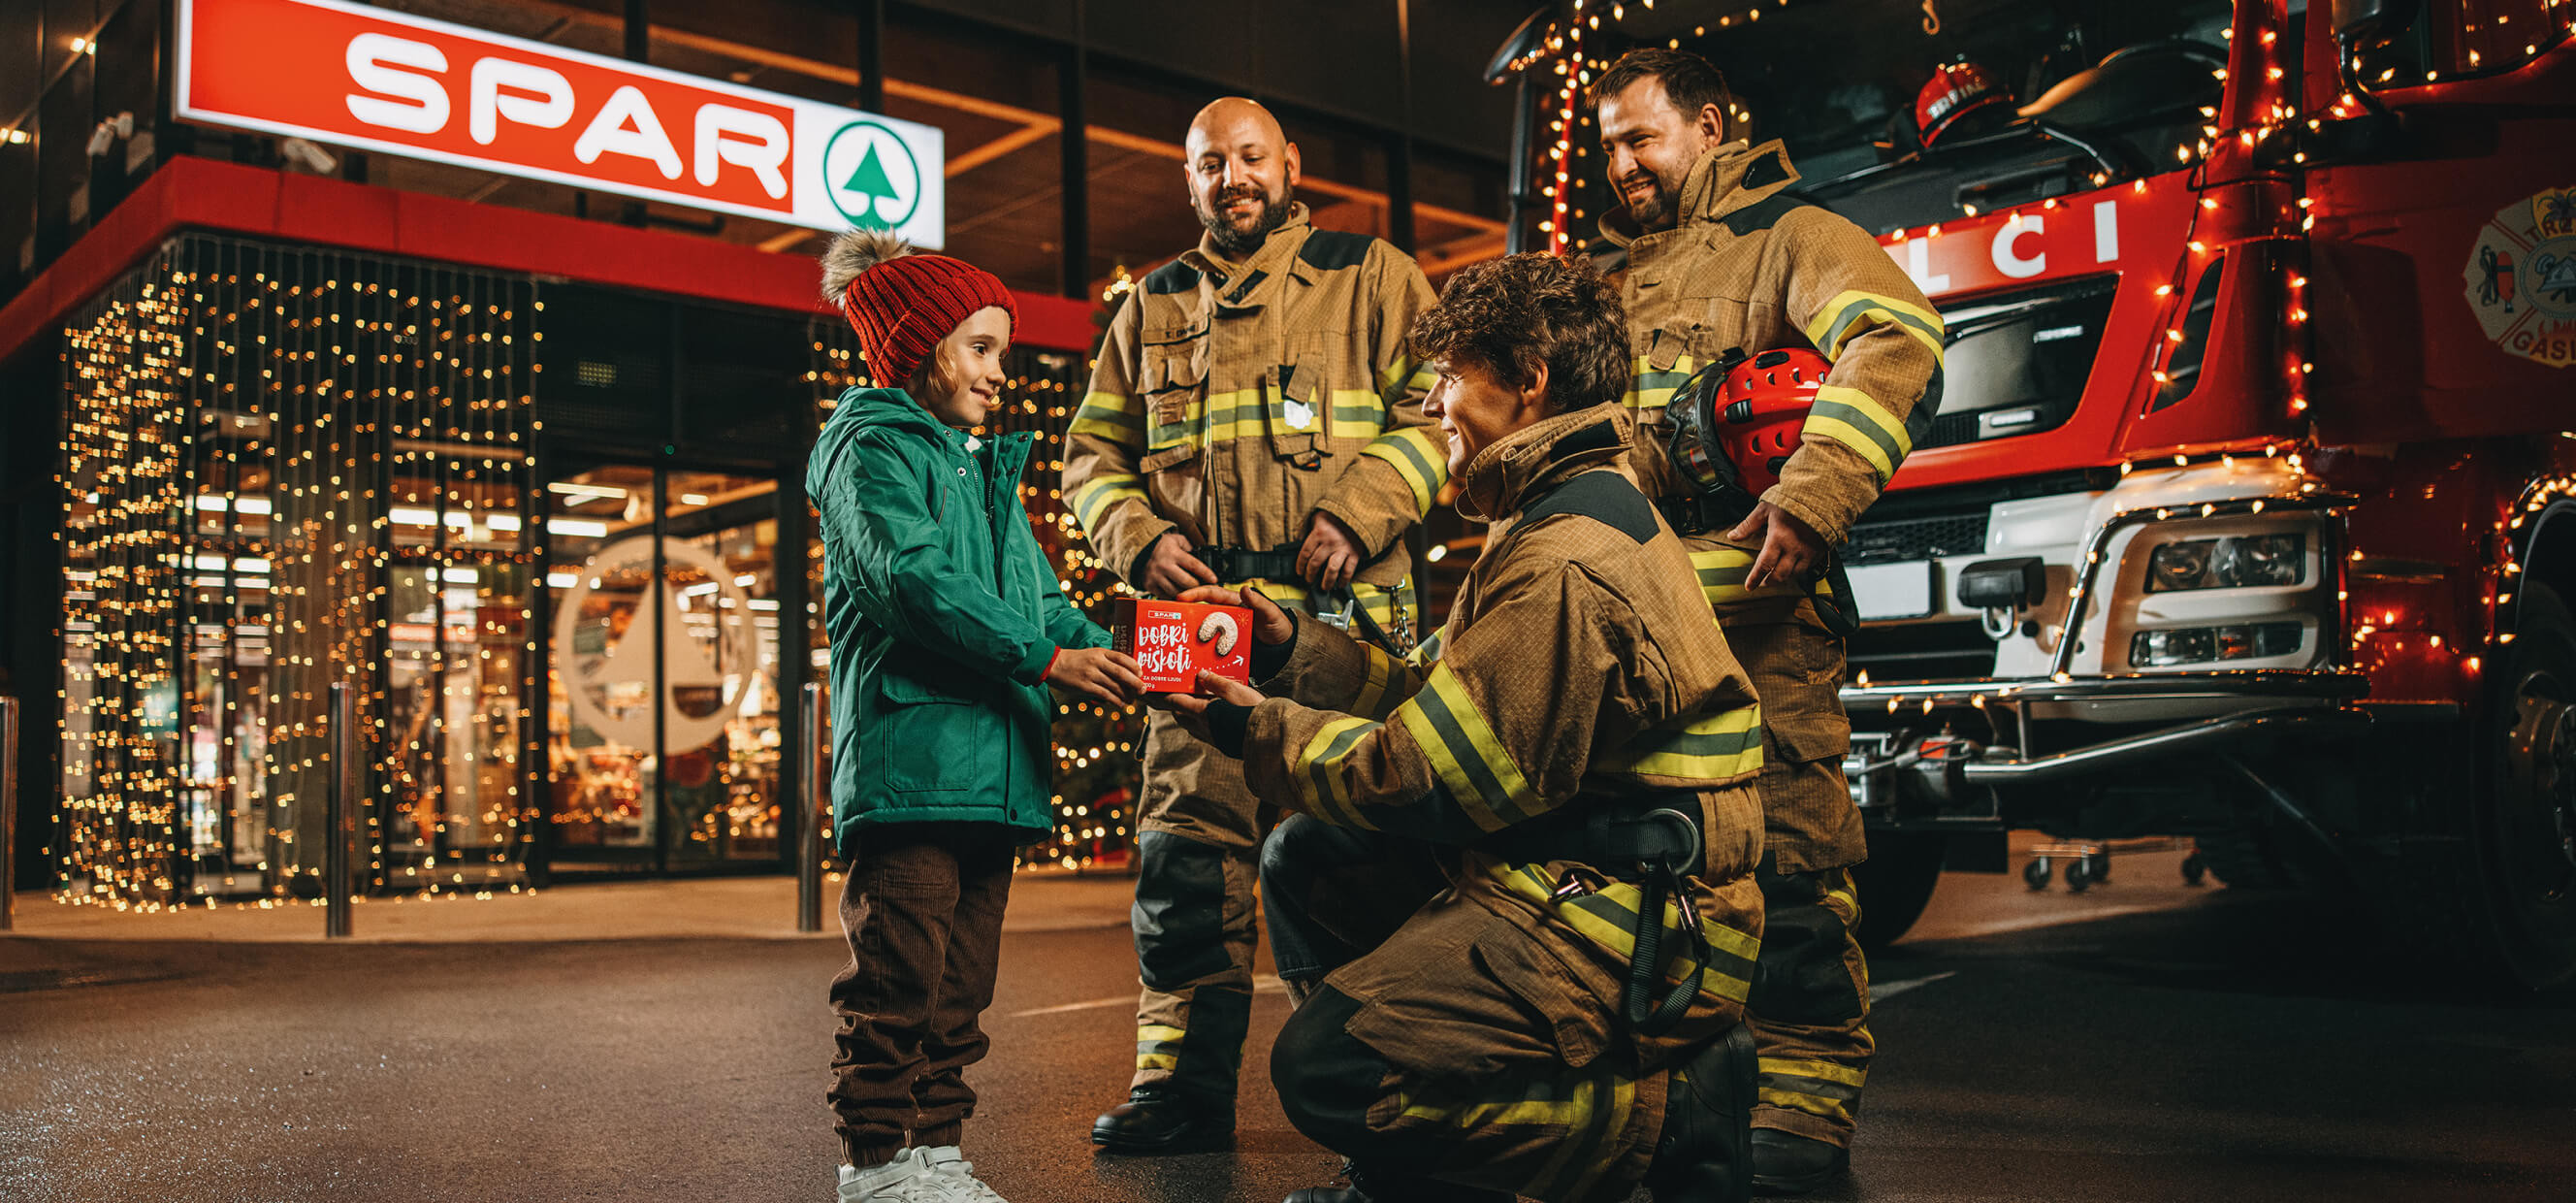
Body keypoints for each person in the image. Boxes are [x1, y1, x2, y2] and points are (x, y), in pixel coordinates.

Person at [1164, 252, 1770, 1203]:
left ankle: (1668, 1117)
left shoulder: (1562, 558)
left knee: (1327, 1073)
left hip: (1622, 917)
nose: (1434, 402)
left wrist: (1257, 732)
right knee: (1312, 858)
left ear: (1526, 382)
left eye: (1450, 376)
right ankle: (1402, 1175)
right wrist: (1291, 651)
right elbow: (1438, 694)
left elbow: (1432, 779)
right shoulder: (1554, 512)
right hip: (1597, 875)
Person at [1589, 48, 1948, 1194]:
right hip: (1628, 628)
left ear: (1707, 124)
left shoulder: (1791, 236)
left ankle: (1802, 1108)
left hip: (1760, 621)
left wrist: (1811, 495)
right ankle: (1676, 1106)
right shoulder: (1601, 279)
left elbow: (1897, 337)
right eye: (1606, 145)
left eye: (1640, 137)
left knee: (1791, 860)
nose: (1621, 163)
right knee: (1648, 869)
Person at [1061, 96, 1449, 1153]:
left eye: (1245, 157)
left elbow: (1441, 409)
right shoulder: (1149, 304)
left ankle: (1393, 1073)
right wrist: (1137, 540)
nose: (1228, 178)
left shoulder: (1370, 273)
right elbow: (1089, 455)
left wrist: (1358, 510)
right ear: (1187, 182)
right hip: (1190, 616)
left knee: (1362, 836)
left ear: (1288, 163)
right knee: (1183, 851)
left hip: (1343, 607)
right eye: (1206, 165)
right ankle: (1179, 1090)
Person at [808, 230, 1144, 1203]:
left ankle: (935, 1155)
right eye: (983, 348)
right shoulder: (869, 450)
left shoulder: (974, 469)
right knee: (896, 982)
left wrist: (1133, 654)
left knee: (958, 991)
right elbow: (916, 581)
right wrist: (1047, 657)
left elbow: (1040, 604)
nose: (1004, 372)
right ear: (921, 349)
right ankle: (875, 1168)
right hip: (914, 768)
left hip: (990, 772)